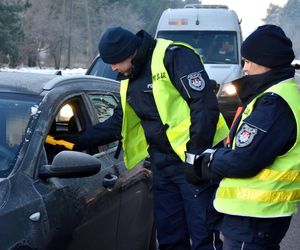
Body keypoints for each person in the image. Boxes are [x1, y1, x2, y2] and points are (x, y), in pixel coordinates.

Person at [59, 27, 229, 249]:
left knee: (202, 236)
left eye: (115, 62)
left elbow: (204, 107)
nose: (113, 68)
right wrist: (78, 140)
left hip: (193, 163)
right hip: (162, 167)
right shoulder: (128, 77)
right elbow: (119, 123)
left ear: (130, 52)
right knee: (169, 238)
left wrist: (195, 156)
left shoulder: (174, 56)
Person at [185, 24, 300, 250]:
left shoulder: (273, 103)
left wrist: (209, 160)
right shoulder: (278, 94)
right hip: (259, 215)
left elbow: (244, 160)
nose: (244, 68)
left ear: (266, 62)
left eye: (248, 61)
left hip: (254, 215)